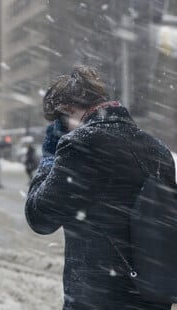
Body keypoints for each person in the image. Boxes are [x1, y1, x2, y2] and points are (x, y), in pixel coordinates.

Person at [25, 65, 175, 310]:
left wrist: (50, 154)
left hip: (98, 299)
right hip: (152, 296)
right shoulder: (158, 150)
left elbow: (39, 217)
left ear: (67, 111)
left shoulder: (81, 145)